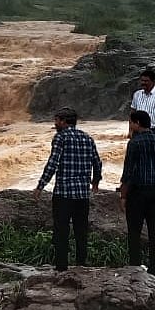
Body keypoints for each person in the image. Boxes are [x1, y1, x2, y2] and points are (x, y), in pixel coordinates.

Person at [32, 107, 102, 271]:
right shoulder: (87, 138)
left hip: (64, 193)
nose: (55, 124)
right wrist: (96, 181)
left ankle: (61, 267)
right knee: (81, 231)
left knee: (61, 231)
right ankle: (81, 264)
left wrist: (40, 186)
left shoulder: (60, 137)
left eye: (56, 120)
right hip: (83, 194)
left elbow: (53, 163)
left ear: (64, 121)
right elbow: (97, 162)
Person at [119, 110, 155, 275]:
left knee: (134, 232)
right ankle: (154, 270)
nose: (131, 126)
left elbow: (128, 172)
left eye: (131, 123)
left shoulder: (134, 143)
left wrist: (123, 196)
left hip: (138, 193)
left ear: (136, 123)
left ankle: (135, 268)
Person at [130, 69, 155, 136]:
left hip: (153, 131)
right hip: (137, 131)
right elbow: (132, 113)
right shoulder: (136, 94)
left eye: (146, 81)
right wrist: (130, 131)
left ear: (153, 81)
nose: (143, 83)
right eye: (142, 80)